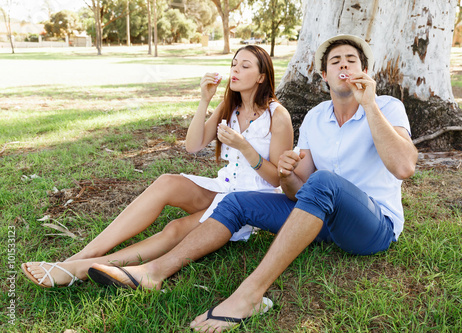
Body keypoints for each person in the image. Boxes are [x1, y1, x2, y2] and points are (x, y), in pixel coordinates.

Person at [82, 34, 416, 331]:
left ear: (365, 70)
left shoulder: (387, 107)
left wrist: (369, 104)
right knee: (236, 201)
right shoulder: (316, 118)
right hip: (322, 224)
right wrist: (286, 173)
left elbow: (403, 167)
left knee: (325, 181)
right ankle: (154, 272)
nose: (343, 64)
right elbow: (300, 191)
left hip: (375, 228)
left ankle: (249, 295)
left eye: (351, 60)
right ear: (324, 75)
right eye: (334, 61)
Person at [21, 44, 293, 288]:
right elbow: (193, 145)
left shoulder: (277, 116)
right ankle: (82, 255)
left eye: (245, 66)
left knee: (175, 229)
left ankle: (80, 270)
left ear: (261, 76)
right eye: (234, 64)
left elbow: (277, 181)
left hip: (251, 201)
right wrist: (204, 100)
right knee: (166, 182)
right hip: (223, 186)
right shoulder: (229, 106)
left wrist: (245, 147)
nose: (235, 69)